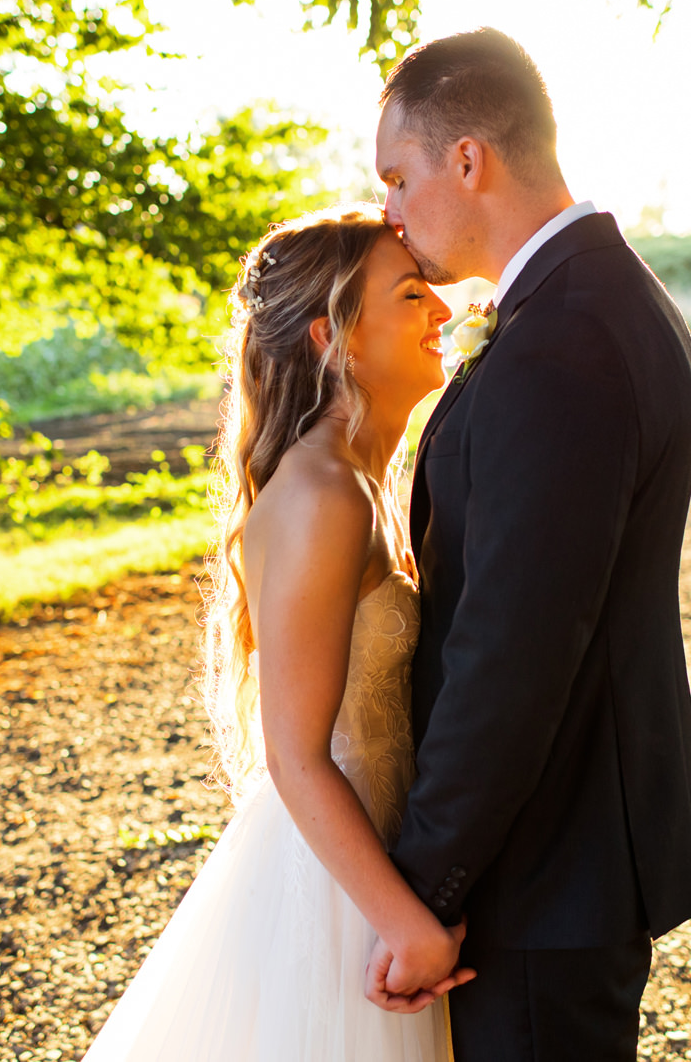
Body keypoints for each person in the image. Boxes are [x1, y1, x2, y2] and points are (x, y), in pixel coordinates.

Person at [364, 28, 691, 1059]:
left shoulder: (565, 337)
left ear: (466, 158)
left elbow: (511, 650)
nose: (387, 210)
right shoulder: (590, 303)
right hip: (559, 855)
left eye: (396, 174)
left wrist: (424, 888)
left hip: (543, 868)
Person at [81, 204, 469, 1061]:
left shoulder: (360, 482)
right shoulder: (321, 493)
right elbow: (295, 754)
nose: (443, 310)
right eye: (411, 296)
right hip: (332, 894)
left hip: (373, 862)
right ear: (334, 337)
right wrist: (407, 924)